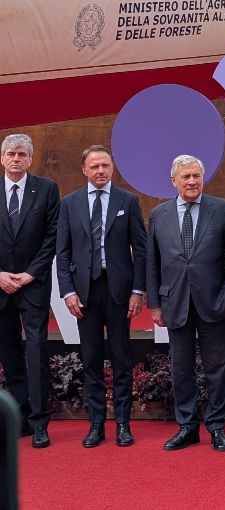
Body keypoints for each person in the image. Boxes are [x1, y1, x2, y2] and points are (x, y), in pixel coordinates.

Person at [56, 145, 146, 448]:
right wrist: (67, 291)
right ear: (84, 169)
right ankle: (96, 424)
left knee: (121, 358)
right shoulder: (70, 204)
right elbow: (63, 252)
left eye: (105, 165)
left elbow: (141, 249)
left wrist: (138, 290)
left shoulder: (128, 201)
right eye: (94, 166)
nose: (100, 171)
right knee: (91, 358)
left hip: (118, 290)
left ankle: (123, 423)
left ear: (112, 167)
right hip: (84, 292)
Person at [147, 155, 225, 452]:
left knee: (217, 368)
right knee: (181, 369)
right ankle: (187, 426)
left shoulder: (223, 210)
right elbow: (152, 262)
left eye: (196, 175)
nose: (192, 181)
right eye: (185, 176)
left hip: (215, 302)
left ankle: (217, 426)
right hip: (175, 303)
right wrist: (154, 304)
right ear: (173, 181)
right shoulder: (158, 214)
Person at [0, 134, 60, 449]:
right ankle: (21, 417)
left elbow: (52, 235)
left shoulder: (46, 189)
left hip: (33, 285)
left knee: (36, 352)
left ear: (30, 159)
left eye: (22, 154)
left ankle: (39, 423)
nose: (16, 159)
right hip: (0, 286)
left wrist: (30, 274)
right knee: (9, 352)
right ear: (2, 158)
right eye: (11, 153)